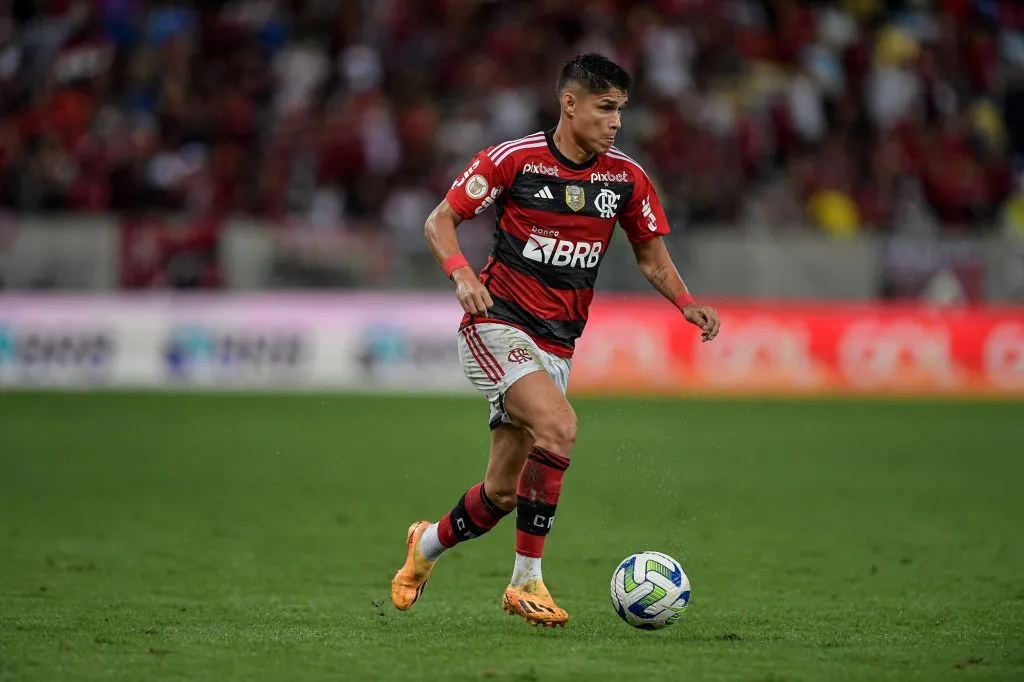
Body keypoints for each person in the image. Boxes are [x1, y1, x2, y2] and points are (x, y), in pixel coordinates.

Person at [390, 53, 721, 628]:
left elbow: (651, 255)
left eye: (621, 110)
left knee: (502, 493)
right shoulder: (514, 160)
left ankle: (424, 550)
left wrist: (687, 302)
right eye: (605, 108)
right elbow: (438, 221)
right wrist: (463, 275)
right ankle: (526, 583)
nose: (616, 122)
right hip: (496, 322)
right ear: (570, 104)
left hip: (558, 344)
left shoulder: (625, 178)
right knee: (560, 426)